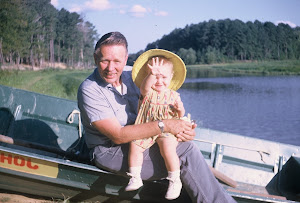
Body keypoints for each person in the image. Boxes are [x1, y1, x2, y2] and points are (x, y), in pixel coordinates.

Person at [77, 31, 236, 203]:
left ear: (125, 59)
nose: (111, 68)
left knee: (183, 144)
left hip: (146, 140)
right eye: (104, 60)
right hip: (109, 151)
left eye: (116, 61)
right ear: (95, 58)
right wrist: (165, 126)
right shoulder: (89, 89)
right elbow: (118, 135)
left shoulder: (136, 75)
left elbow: (165, 108)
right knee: (186, 152)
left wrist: (182, 131)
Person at [125, 50, 188, 200]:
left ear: (171, 77)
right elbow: (145, 86)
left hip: (167, 130)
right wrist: (151, 74)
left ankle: (174, 180)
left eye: (163, 77)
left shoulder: (173, 95)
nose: (159, 81)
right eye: (154, 76)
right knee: (135, 146)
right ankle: (135, 177)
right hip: (146, 128)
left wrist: (180, 110)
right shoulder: (147, 92)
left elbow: (180, 115)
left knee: (167, 147)